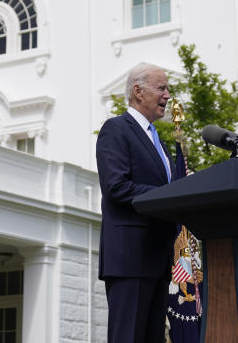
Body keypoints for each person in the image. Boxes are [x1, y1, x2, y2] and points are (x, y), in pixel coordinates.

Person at [96, 62, 177, 343]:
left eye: (168, 89)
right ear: (138, 91)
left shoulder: (159, 141)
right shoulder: (116, 129)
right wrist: (168, 196)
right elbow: (116, 187)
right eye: (162, 88)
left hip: (158, 258)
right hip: (130, 258)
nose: (168, 95)